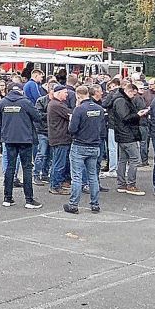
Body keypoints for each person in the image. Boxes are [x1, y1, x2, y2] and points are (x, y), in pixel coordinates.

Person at [0, 83, 43, 209]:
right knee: (27, 168)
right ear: (21, 91)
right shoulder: (25, 102)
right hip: (25, 139)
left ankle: (7, 198)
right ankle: (29, 199)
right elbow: (37, 117)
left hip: (9, 139)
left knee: (10, 168)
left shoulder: (3, 102)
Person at [65, 86, 106, 214]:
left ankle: (73, 204)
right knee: (93, 176)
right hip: (94, 145)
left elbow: (72, 129)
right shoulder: (99, 109)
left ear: (78, 96)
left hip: (80, 145)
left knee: (76, 176)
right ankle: (95, 204)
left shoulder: (79, 110)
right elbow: (102, 128)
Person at [111, 81, 147, 196]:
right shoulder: (121, 101)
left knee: (123, 160)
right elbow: (126, 117)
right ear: (129, 91)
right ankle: (131, 184)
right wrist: (138, 115)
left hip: (122, 134)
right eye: (134, 94)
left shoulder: (120, 99)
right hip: (127, 134)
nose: (134, 97)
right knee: (134, 159)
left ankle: (121, 183)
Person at [47, 85, 73, 195]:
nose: (67, 95)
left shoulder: (55, 104)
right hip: (60, 138)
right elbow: (71, 115)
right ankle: (55, 185)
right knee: (59, 163)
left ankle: (58, 183)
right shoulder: (57, 105)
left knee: (59, 162)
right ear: (58, 93)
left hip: (59, 137)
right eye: (65, 92)